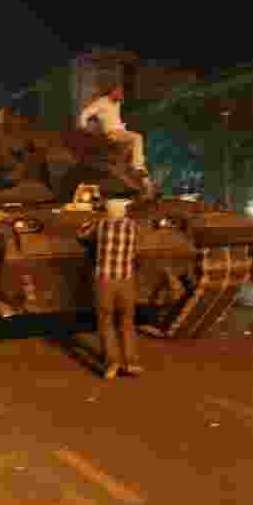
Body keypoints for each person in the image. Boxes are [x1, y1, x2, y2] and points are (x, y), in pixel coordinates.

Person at [78, 199, 142, 379]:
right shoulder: (133, 226)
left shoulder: (101, 225)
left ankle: (112, 362)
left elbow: (81, 235)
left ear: (107, 212)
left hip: (105, 281)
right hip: (126, 281)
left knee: (106, 321)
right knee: (126, 322)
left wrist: (93, 217)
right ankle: (131, 363)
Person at [77, 84, 147, 176]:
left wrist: (122, 126)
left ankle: (122, 166)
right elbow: (85, 113)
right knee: (137, 137)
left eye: (122, 93)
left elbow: (113, 118)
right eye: (119, 92)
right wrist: (83, 127)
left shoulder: (116, 102)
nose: (121, 95)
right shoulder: (101, 102)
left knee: (132, 146)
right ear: (113, 92)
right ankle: (137, 167)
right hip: (112, 133)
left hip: (121, 131)